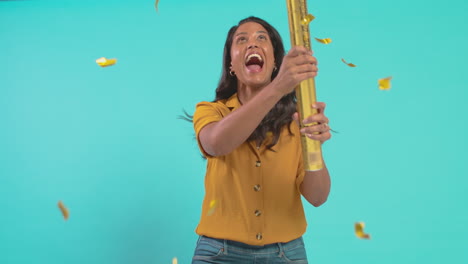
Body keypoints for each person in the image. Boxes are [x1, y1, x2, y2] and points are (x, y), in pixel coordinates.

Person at [190, 16, 331, 264]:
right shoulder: (211, 112)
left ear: (275, 61)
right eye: (241, 40)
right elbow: (216, 144)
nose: (252, 44)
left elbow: (318, 197)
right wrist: (278, 87)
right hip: (218, 254)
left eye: (261, 38)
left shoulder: (297, 120)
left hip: (286, 254)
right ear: (231, 63)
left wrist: (314, 147)